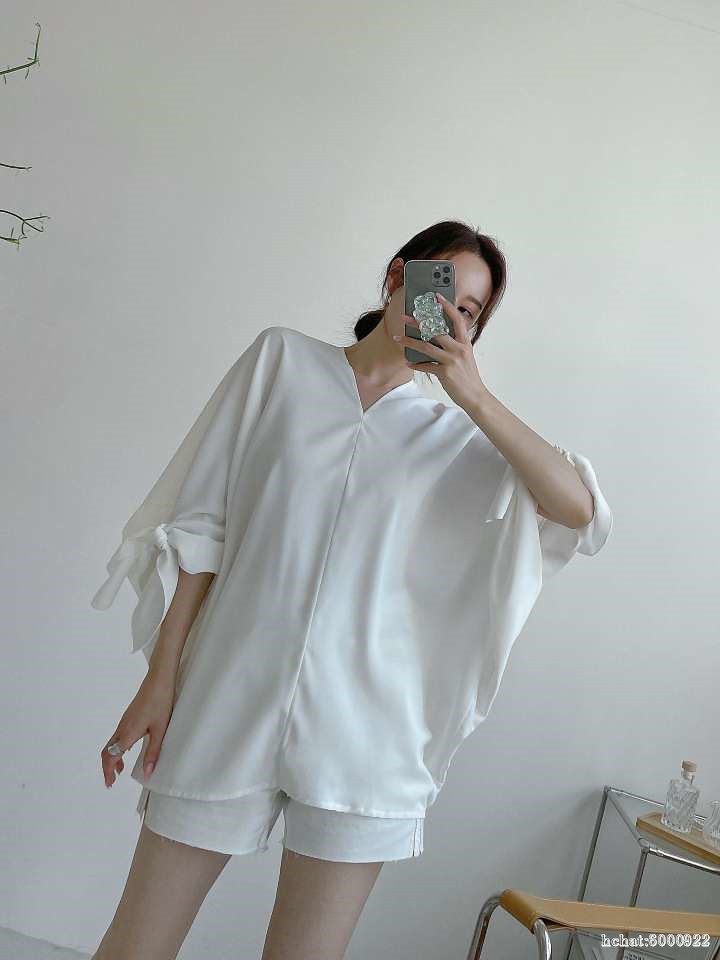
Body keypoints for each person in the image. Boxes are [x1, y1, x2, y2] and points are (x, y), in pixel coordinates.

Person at [89, 219, 612, 960]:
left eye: (469, 311)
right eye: (441, 289)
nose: (450, 314)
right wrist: (160, 679)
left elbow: (579, 513)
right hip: (227, 696)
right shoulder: (281, 363)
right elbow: (203, 531)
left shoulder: (456, 436)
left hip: (367, 737)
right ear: (398, 276)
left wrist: (474, 396)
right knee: (135, 945)